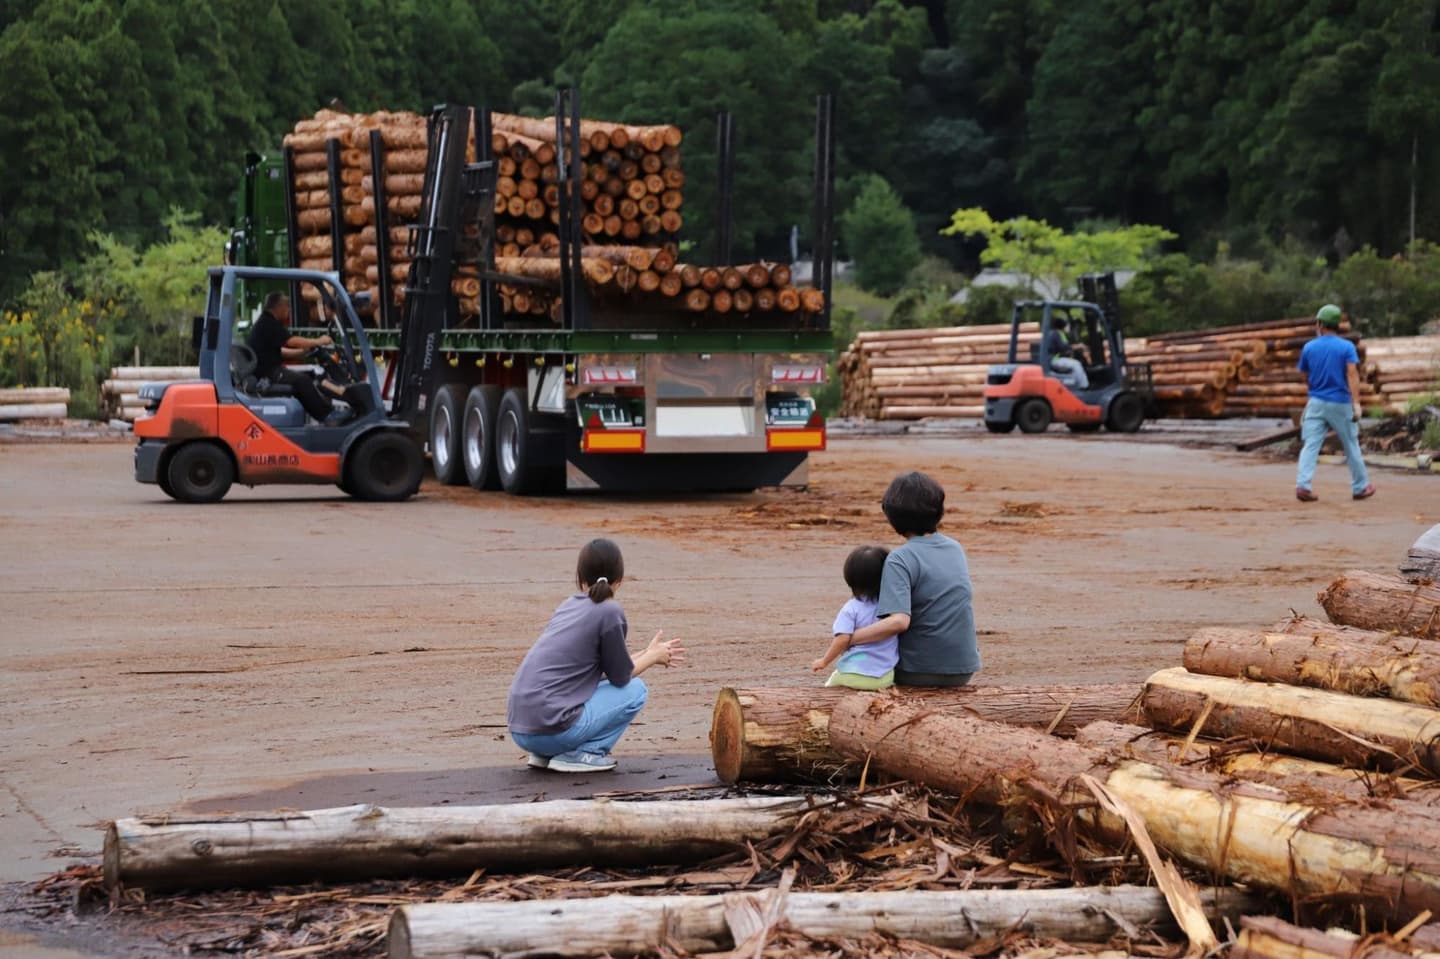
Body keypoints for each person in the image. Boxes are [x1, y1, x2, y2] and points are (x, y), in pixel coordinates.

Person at [507, 538, 685, 773]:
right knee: (637, 690)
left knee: (607, 689)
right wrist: (653, 658)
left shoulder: (568, 605)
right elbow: (621, 678)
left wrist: (648, 652)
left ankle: (545, 755)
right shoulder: (610, 611)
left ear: (580, 578)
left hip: (522, 731)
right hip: (552, 732)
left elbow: (600, 670)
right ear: (619, 580)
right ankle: (581, 754)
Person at [847, 472, 979, 687]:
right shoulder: (955, 548)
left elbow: (898, 622)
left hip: (919, 671)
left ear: (892, 517)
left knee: (858, 660)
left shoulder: (900, 559)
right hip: (964, 670)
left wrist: (850, 638)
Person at [1295, 304, 1375, 502]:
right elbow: (1352, 374)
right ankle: (1360, 487)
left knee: (1310, 445)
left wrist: (1312, 393)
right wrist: (1356, 403)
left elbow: (1305, 375)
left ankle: (1303, 486)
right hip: (1340, 402)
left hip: (1316, 402)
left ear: (1321, 324)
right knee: (1350, 445)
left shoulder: (1309, 347)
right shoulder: (1346, 347)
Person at [246, 292, 340, 423]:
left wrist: (303, 352)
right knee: (303, 381)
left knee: (309, 375)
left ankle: (323, 414)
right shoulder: (269, 323)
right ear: (278, 307)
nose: (288, 310)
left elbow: (281, 352)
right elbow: (292, 341)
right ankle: (327, 415)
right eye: (287, 307)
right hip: (268, 373)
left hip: (268, 370)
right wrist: (318, 341)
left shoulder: (266, 322)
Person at [810, 545, 895, 690]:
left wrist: (824, 661)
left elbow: (842, 639)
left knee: (829, 686)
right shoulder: (893, 606)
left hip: (852, 674)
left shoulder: (851, 609)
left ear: (850, 578)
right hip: (885, 677)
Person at [1044, 315, 1089, 389]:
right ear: (1063, 326)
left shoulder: (1052, 333)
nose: (1068, 327)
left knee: (1074, 367)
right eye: (1067, 325)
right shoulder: (1058, 334)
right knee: (1076, 364)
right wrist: (1079, 346)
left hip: (1052, 359)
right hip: (1054, 360)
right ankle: (1084, 387)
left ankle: (1075, 386)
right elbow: (1064, 348)